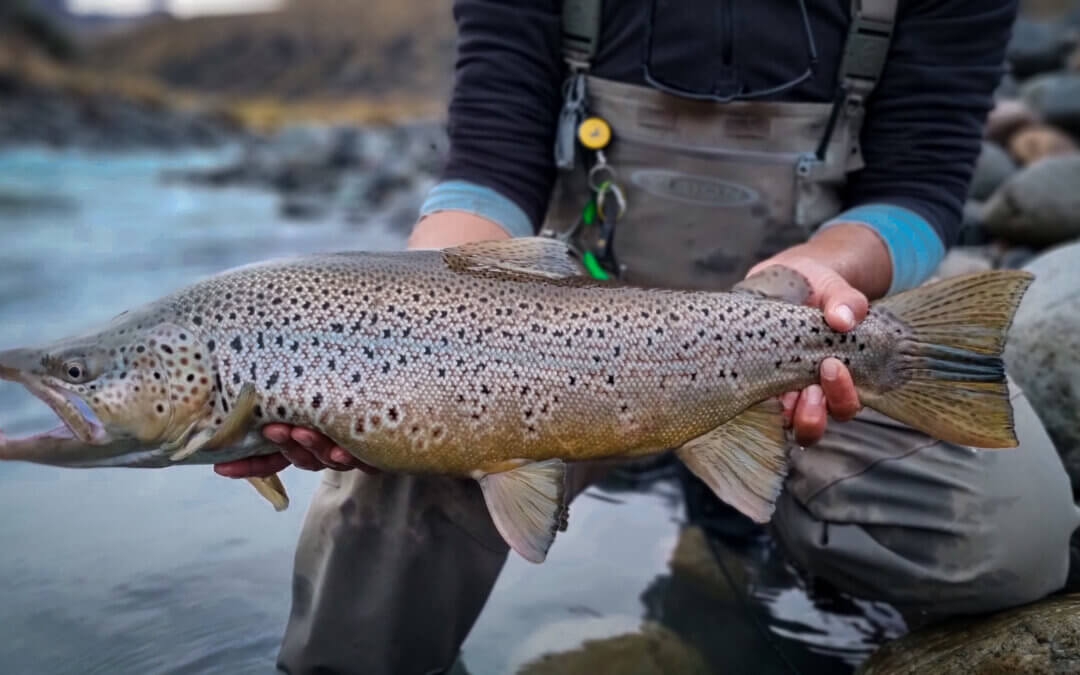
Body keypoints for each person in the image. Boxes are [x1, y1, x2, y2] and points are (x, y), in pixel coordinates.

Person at [215, 1, 1080, 673]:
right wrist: (411, 330)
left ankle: (747, 507)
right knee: (387, 473)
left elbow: (922, 187)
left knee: (1020, 543)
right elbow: (490, 161)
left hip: (796, 323)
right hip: (548, 339)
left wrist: (827, 272)